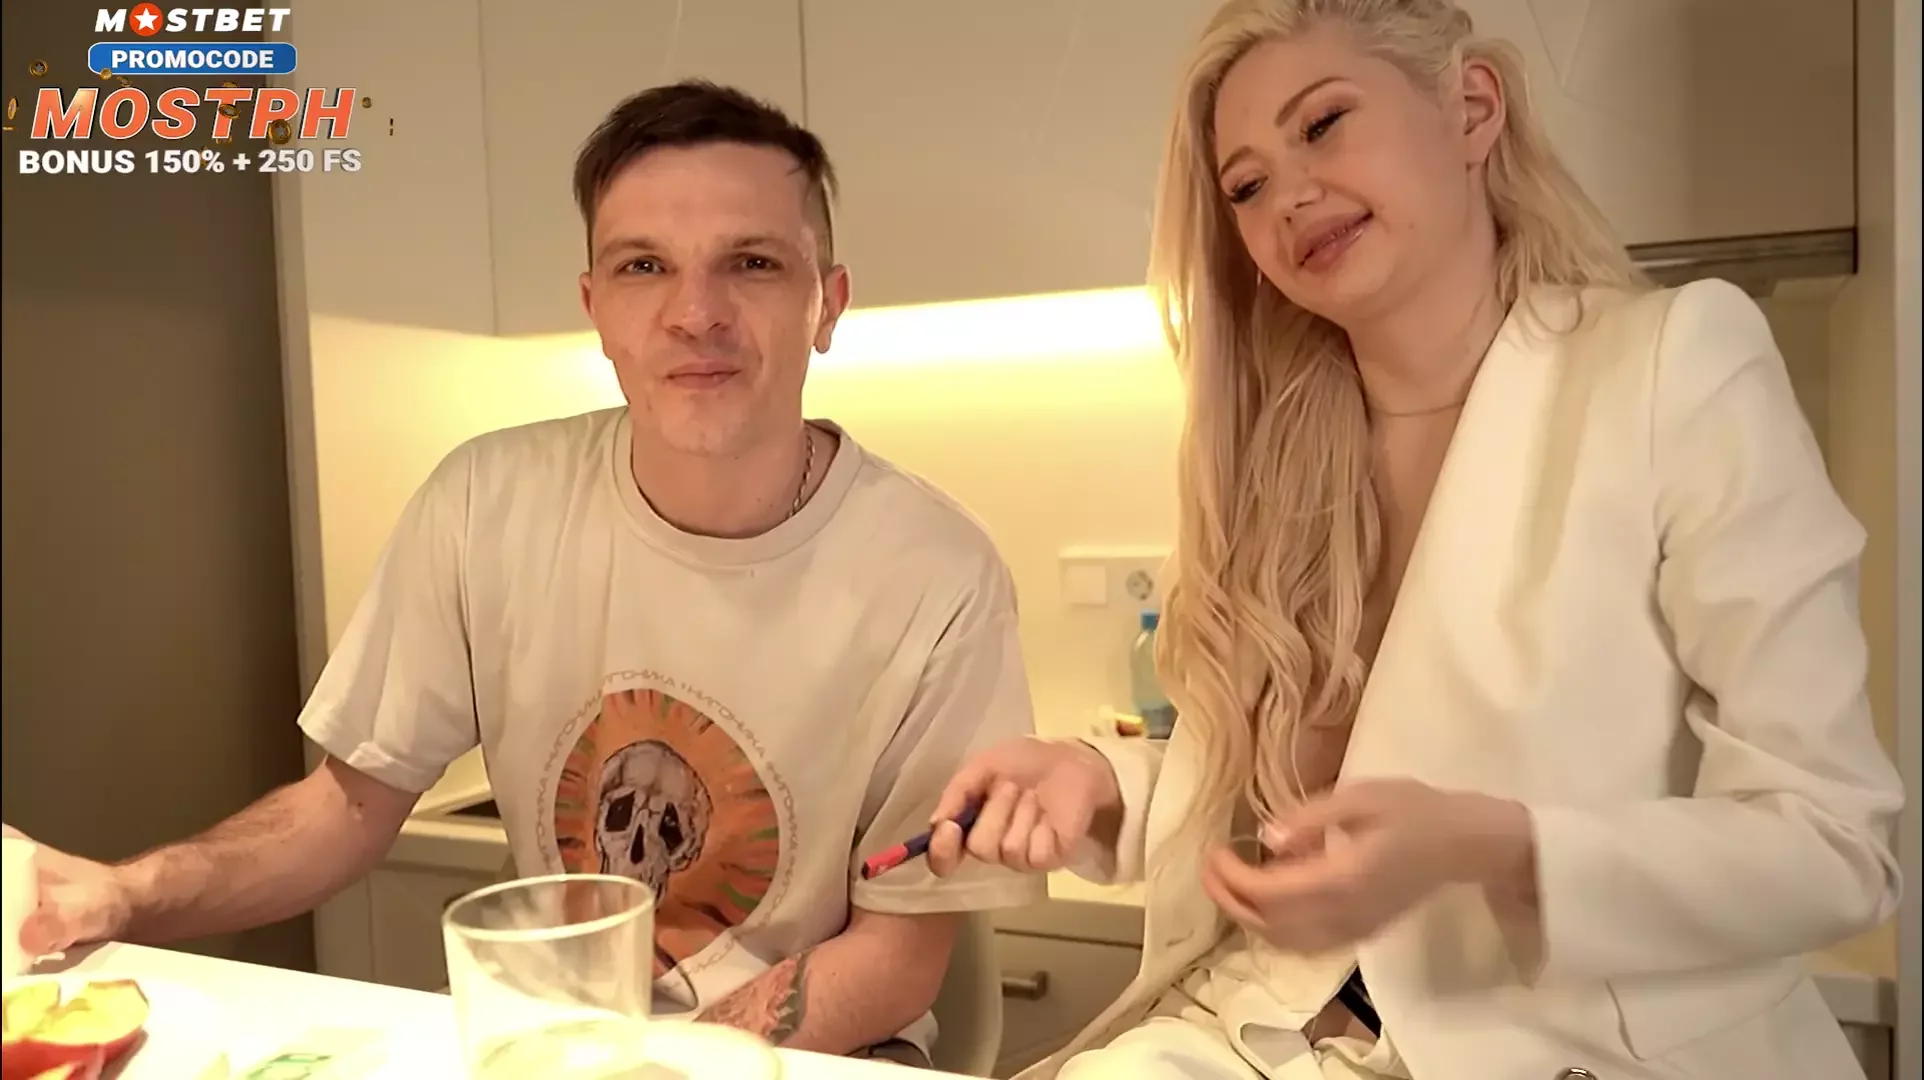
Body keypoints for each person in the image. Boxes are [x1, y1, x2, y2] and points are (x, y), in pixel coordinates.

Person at [927, 2, 1905, 1078]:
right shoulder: (1274, 459)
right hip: (1262, 1032)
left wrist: (1494, 850)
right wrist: (1097, 783)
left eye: (1324, 124)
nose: (1290, 196)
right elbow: (1298, 809)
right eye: (1246, 185)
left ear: (1472, 108)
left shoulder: (1674, 367)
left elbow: (1831, 846)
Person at [14, 79, 1045, 1066]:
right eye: (645, 266)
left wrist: (658, 1067)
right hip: (549, 1045)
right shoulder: (484, 503)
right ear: (596, 308)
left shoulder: (936, 576)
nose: (696, 312)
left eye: (752, 262)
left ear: (827, 304)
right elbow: (344, 811)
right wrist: (122, 893)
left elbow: (897, 959)